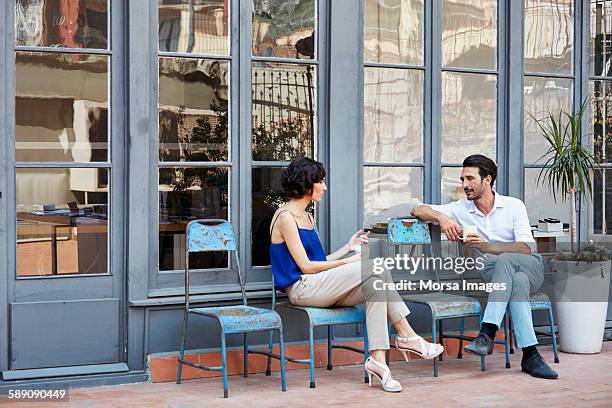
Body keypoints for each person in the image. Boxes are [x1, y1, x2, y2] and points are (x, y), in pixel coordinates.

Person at [270, 157, 443, 392]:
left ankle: (378, 362)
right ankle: (406, 335)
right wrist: (351, 261)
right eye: (320, 181)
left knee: (375, 285)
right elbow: (307, 267)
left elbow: (319, 262)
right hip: (302, 289)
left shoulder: (307, 217)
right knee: (376, 266)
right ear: (307, 183)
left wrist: (346, 248)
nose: (325, 187)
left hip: (320, 287)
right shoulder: (286, 217)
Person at [411, 154, 558, 379]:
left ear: (487, 180)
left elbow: (528, 248)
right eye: (462, 179)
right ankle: (530, 355)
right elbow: (418, 210)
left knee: (506, 261)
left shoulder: (513, 205)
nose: (464, 185)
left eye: (470, 178)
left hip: (529, 267)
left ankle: (488, 331)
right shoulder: (461, 209)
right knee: (514, 279)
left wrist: (488, 247)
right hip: (495, 275)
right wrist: (443, 218)